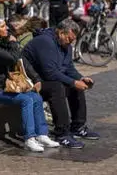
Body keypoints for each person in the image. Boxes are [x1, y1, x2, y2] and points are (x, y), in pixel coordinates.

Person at [0, 16, 60, 153]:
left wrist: (36, 79)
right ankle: (29, 138)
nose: (6, 28)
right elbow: (13, 58)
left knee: (36, 97)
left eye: (5, 25)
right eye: (2, 26)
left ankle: (42, 134)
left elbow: (22, 61)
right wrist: (13, 44)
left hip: (9, 86)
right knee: (26, 99)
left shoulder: (2, 42)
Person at [22, 20, 99, 149]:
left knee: (74, 86)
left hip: (45, 80)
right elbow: (50, 73)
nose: (70, 42)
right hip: (32, 82)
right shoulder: (45, 42)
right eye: (69, 38)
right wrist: (73, 82)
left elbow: (68, 68)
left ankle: (78, 127)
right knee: (57, 88)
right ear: (60, 32)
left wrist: (81, 78)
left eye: (73, 40)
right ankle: (62, 133)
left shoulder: (65, 45)